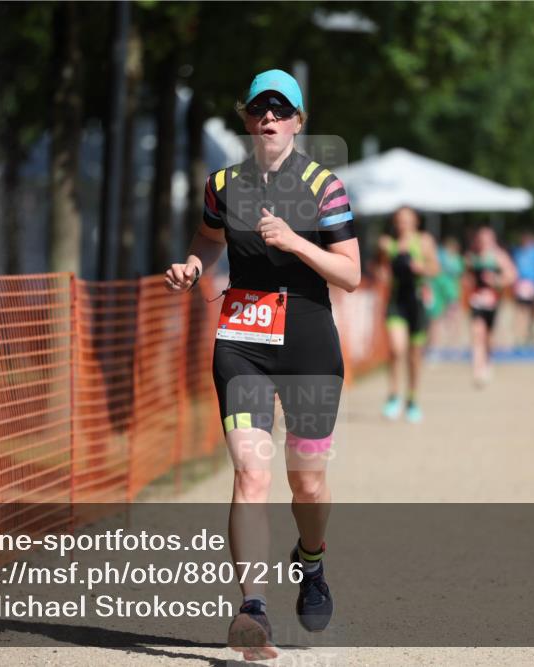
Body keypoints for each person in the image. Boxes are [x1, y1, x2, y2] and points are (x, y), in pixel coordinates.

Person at [164, 69, 360, 661]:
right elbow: (207, 239)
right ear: (247, 120)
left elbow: (351, 275)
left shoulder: (325, 187)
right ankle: (252, 609)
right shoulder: (222, 184)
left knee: (308, 479)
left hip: (306, 338)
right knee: (251, 472)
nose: (268, 118)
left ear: (298, 122)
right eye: (258, 109)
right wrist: (194, 268)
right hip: (242, 338)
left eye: (281, 109)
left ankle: (313, 559)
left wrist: (297, 243)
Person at [377, 208, 440, 423]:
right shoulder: (388, 243)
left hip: (417, 302)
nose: (403, 224)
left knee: (414, 355)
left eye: (407, 220)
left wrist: (420, 267)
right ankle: (393, 395)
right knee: (396, 349)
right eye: (399, 220)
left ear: (415, 222)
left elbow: (435, 268)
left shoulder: (424, 241)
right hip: (396, 302)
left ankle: (412, 399)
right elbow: (380, 268)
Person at [465, 226, 516, 387]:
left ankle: (487, 362)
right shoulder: (473, 255)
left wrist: (497, 281)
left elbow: (512, 275)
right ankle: (477, 369)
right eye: (481, 239)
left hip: (492, 301)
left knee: (488, 336)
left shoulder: (499, 256)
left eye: (487, 238)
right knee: (476, 332)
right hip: (476, 300)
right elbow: (466, 275)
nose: (483, 242)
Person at [511, 231, 534, 349]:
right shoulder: (518, 252)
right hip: (522, 284)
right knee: (522, 312)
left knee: (530, 312)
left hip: (532, 285)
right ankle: (521, 337)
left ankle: (527, 335)